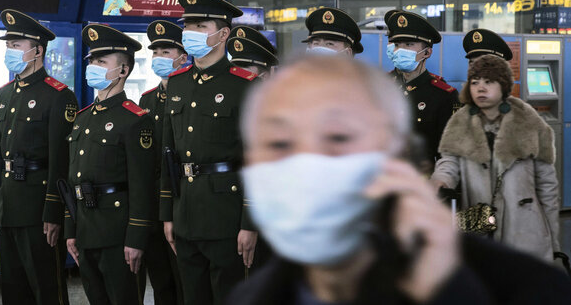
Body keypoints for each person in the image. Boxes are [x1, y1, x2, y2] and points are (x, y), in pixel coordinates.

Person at [226, 55, 571, 305]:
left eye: (338, 137)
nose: (305, 164)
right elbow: (449, 160)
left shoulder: (530, 288)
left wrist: (446, 290)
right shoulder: (252, 296)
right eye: (278, 144)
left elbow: (547, 185)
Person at [159, 0, 258, 305]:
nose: (190, 33)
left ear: (223, 33)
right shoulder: (177, 83)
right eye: (188, 26)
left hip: (226, 217)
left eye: (200, 27)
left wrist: (249, 223)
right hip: (185, 213)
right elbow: (167, 154)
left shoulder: (243, 85)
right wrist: (168, 215)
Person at [431, 54, 561, 262]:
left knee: (522, 288)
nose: (480, 88)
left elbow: (547, 186)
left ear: (503, 86)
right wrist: (441, 180)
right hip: (479, 226)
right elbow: (449, 161)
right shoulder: (460, 122)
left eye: (489, 82)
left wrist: (554, 242)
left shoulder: (527, 120)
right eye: (475, 83)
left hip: (525, 232)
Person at [0, 9, 76, 305]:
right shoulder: (4, 94)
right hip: (7, 206)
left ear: (37, 51)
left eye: (16, 46)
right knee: (13, 290)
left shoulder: (58, 95)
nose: (9, 51)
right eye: (8, 46)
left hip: (38, 209)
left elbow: (61, 159)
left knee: (46, 287)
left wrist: (53, 212)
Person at [63, 23, 156, 304]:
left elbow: (143, 185)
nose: (93, 65)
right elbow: (72, 181)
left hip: (118, 234)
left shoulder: (136, 119)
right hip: (87, 229)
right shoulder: (82, 118)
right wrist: (71, 231)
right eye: (92, 60)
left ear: (123, 71)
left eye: (101, 61)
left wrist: (137, 238)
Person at [137, 19, 186, 305]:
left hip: (182, 201)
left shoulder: (190, 95)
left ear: (183, 56)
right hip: (154, 205)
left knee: (185, 281)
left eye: (166, 52)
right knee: (161, 282)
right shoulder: (147, 100)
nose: (159, 58)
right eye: (155, 53)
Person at [385, 11, 460, 172]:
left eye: (409, 44)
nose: (400, 50)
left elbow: (448, 152)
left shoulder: (443, 95)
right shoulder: (382, 87)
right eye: (397, 45)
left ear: (427, 53)